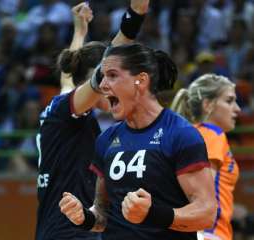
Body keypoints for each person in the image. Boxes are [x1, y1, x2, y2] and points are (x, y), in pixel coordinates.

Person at [59, 43, 217, 239]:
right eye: (103, 76)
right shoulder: (106, 140)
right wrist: (84, 217)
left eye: (113, 75)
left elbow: (207, 213)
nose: (102, 85)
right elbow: (103, 215)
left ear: (141, 80)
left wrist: (153, 214)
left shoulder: (180, 134)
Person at [35, 1, 149, 240]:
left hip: (63, 230)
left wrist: (80, 31)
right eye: (110, 77)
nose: (112, 86)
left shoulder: (65, 107)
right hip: (69, 234)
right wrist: (134, 17)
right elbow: (93, 76)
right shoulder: (66, 112)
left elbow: (69, 78)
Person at [171, 74, 241, 240]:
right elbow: (201, 195)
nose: (237, 108)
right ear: (207, 105)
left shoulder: (190, 134)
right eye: (229, 101)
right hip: (209, 233)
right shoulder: (211, 134)